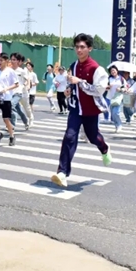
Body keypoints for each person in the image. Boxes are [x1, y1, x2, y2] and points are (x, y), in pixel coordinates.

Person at [51, 34, 112, 188]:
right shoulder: (73, 66)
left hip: (90, 110)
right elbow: (71, 83)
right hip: (75, 108)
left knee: (93, 137)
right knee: (69, 136)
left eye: (82, 47)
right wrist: (69, 89)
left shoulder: (97, 69)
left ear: (89, 49)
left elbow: (98, 90)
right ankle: (62, 173)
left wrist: (80, 82)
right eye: (77, 47)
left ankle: (104, 149)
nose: (79, 50)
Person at [0, 53, 18, 146]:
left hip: (6, 99)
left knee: (6, 120)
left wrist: (6, 89)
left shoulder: (10, 72)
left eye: (1, 60)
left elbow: (16, 84)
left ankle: (12, 136)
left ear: (6, 61)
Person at [9, 53, 31, 130]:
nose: (12, 61)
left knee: (11, 105)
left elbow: (28, 79)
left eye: (14, 60)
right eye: (11, 59)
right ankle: (26, 121)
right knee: (18, 109)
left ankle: (12, 125)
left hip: (18, 92)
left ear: (18, 61)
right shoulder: (9, 70)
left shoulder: (21, 71)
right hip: (10, 92)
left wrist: (27, 85)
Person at [106, 65, 127, 133]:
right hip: (110, 97)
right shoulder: (109, 79)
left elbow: (126, 88)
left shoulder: (121, 79)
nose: (113, 72)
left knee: (116, 112)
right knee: (113, 114)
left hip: (118, 98)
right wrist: (108, 87)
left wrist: (120, 89)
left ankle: (119, 125)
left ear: (117, 71)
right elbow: (105, 88)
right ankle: (117, 126)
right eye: (111, 71)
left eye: (114, 70)